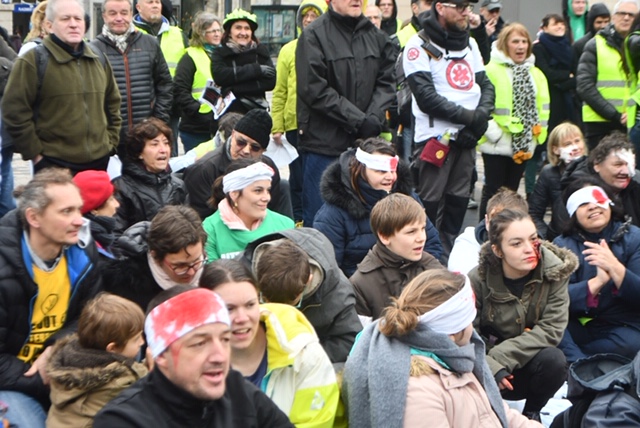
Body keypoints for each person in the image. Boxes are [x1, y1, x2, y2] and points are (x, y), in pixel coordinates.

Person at [342, 269, 543, 428]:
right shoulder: (417, 389)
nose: (473, 330)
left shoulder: (453, 357)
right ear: (452, 332)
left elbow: (497, 414)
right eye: (469, 320)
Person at [94, 287, 294, 427]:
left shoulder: (237, 390)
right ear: (162, 355)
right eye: (200, 343)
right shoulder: (123, 420)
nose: (220, 356)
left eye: (225, 340)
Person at [0, 168, 101, 428]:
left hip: (63, 363)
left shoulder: (83, 251)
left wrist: (57, 346)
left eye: (79, 209)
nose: (80, 220)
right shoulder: (4, 268)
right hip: (15, 378)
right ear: (33, 217)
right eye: (66, 211)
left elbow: (90, 315)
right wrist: (44, 379)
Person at [404, 0, 495, 259]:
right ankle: (424, 259)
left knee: (457, 202)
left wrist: (478, 123)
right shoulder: (417, 45)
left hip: (466, 141)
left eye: (470, 6)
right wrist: (471, 118)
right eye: (462, 6)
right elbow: (426, 97)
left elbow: (486, 85)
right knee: (429, 205)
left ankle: (448, 259)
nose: (468, 12)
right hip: (435, 140)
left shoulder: (469, 44)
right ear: (441, 7)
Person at [200, 260, 340, 427]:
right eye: (229, 309)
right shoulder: (190, 362)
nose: (243, 318)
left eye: (250, 305)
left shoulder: (303, 351)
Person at [469, 209, 577, 421]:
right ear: (498, 250)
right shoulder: (477, 278)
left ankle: (531, 413)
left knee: (554, 361)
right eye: (516, 244)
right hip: (484, 365)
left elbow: (551, 330)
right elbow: (466, 333)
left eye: (533, 239)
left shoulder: (554, 274)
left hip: (525, 363)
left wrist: (501, 358)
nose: (529, 249)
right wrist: (490, 365)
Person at [296, 0, 395, 227]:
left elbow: (387, 82)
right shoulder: (314, 35)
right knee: (322, 222)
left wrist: (373, 118)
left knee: (368, 221)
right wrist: (359, 120)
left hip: (366, 147)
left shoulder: (377, 37)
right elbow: (314, 89)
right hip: (325, 145)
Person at [2, 0, 121, 175]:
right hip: (53, 165)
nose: (73, 24)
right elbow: (14, 111)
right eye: (65, 19)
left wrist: (110, 144)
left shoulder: (98, 59)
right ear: (49, 25)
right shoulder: (33, 61)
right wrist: (36, 155)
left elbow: (113, 104)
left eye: (78, 19)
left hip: (98, 163)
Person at [313, 138, 443, 277]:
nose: (390, 177)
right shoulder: (332, 214)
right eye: (381, 171)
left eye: (393, 171)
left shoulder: (409, 199)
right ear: (360, 169)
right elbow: (331, 270)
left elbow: (432, 244)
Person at [241, 227, 362, 364]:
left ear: (308, 280)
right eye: (266, 301)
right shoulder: (242, 274)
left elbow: (350, 340)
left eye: (291, 305)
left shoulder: (337, 293)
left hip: (310, 359)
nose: (281, 313)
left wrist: (303, 357)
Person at [553, 179, 640, 363]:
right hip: (577, 325)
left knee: (631, 344)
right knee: (551, 328)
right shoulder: (561, 246)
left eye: (598, 199)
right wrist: (596, 283)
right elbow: (555, 298)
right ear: (573, 212)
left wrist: (615, 268)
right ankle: (582, 364)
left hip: (623, 326)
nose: (593, 206)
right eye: (583, 203)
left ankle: (579, 363)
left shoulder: (634, 238)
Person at [479, 23, 549, 218]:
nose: (520, 46)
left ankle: (504, 232)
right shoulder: (490, 70)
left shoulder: (536, 74)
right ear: (504, 44)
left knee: (511, 192)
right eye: (515, 41)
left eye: (524, 41)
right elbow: (480, 106)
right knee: (493, 191)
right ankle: (483, 232)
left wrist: (538, 136)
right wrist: (494, 132)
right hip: (496, 142)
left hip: (523, 144)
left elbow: (543, 108)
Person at [46, 293, 148, 427]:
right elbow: (148, 395)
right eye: (136, 339)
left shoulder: (69, 357)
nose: (142, 342)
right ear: (112, 348)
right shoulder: (119, 383)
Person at [90, 0, 172, 153]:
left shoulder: (150, 44)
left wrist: (158, 122)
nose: (119, 18)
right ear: (104, 16)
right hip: (109, 140)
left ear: (131, 14)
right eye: (113, 13)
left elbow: (165, 84)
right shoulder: (94, 49)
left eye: (124, 13)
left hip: (146, 137)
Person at [271, 0, 325, 224]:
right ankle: (299, 220)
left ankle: (317, 219)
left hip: (320, 126)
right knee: (297, 178)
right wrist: (277, 125)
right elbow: (280, 90)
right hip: (293, 125)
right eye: (305, 15)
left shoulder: (327, 47)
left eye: (314, 15)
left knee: (318, 178)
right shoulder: (287, 50)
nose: (309, 19)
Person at [350, 193, 443, 322]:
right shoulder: (361, 283)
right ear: (384, 236)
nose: (422, 238)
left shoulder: (432, 267)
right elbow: (360, 337)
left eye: (423, 229)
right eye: (411, 232)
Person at [183, 109, 291, 220]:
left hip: (258, 227)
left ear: (263, 151)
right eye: (241, 142)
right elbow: (199, 220)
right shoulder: (204, 169)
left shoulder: (268, 168)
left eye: (255, 147)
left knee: (283, 186)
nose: (246, 150)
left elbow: (271, 213)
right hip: (218, 231)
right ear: (233, 135)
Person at [102, 205, 207, 311]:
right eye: (180, 266)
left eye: (197, 261)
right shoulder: (125, 289)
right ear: (155, 256)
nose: (191, 273)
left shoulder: (210, 279)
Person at [203, 160, 294, 261]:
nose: (267, 198)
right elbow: (211, 274)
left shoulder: (285, 226)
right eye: (258, 191)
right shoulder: (210, 229)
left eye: (268, 190)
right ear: (234, 194)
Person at [577, 0, 637, 151]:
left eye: (631, 15)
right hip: (600, 125)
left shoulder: (637, 45)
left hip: (633, 123)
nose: (626, 18)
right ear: (613, 17)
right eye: (622, 13)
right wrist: (615, 115)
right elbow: (584, 86)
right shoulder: (595, 44)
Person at [112, 118, 187, 234]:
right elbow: (116, 236)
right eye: (154, 144)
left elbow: (189, 226)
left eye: (166, 143)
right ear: (139, 153)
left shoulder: (178, 185)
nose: (163, 150)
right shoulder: (121, 189)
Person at [132, 0, 188, 155]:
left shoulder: (178, 34)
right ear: (138, 7)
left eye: (157, 2)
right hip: (138, 106)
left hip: (170, 107)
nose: (155, 5)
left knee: (168, 153)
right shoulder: (130, 33)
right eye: (150, 2)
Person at [561, 132, 640, 226]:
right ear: (597, 165)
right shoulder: (578, 189)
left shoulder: (636, 182)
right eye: (618, 165)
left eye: (630, 165)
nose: (626, 171)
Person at [449, 188, 528, 274]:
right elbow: (464, 281)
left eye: (511, 225)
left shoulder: (534, 250)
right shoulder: (467, 244)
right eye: (496, 223)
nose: (501, 231)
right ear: (487, 221)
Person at [210, 9, 275, 115]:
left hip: (256, 114)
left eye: (247, 28)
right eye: (238, 28)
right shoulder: (220, 52)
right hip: (229, 114)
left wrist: (232, 87)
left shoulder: (260, 51)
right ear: (229, 32)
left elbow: (270, 82)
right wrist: (256, 70)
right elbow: (220, 76)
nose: (243, 33)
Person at [529, 122, 587, 241]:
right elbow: (534, 213)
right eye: (568, 144)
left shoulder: (595, 170)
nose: (575, 147)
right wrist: (548, 241)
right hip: (558, 238)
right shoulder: (548, 173)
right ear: (556, 150)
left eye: (577, 141)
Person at [173, 12, 222, 152]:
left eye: (219, 30)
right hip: (196, 127)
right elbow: (180, 89)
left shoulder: (224, 54)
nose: (217, 34)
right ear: (201, 33)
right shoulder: (190, 56)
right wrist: (195, 110)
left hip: (219, 123)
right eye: (212, 31)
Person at [533, 14, 578, 134]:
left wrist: (562, 84)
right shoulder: (538, 48)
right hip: (549, 99)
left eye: (562, 24)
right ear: (545, 28)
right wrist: (567, 75)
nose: (560, 26)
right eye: (555, 24)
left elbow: (577, 75)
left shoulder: (569, 48)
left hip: (569, 99)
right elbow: (546, 74)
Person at [72, 170, 121, 257]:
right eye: (111, 199)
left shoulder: (102, 237)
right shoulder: (88, 247)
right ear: (94, 209)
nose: (117, 204)